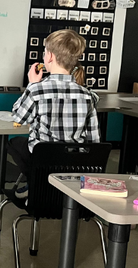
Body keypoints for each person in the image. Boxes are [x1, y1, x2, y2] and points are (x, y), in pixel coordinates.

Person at [8, 29, 99, 201]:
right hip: (73, 165)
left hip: (43, 160)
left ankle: (37, 183)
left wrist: (31, 84)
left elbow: (18, 117)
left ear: (49, 57)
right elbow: (94, 142)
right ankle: (54, 186)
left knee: (15, 144)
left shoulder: (36, 90)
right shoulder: (88, 96)